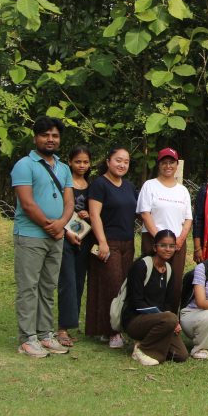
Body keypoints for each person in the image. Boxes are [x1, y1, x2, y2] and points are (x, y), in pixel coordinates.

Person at [11, 117, 74, 357]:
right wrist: (50, 225)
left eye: (55, 135)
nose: (50, 139)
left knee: (48, 287)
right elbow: (27, 203)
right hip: (30, 235)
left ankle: (46, 335)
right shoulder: (24, 165)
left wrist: (61, 224)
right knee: (29, 287)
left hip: (56, 236)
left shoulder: (64, 168)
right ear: (35, 137)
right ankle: (27, 339)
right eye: (45, 135)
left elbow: (69, 202)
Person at [87, 146, 138, 349]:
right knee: (111, 285)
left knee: (123, 286)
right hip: (108, 243)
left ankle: (108, 328)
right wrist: (102, 242)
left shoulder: (129, 186)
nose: (122, 164)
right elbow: (94, 215)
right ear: (108, 161)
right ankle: (112, 332)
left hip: (128, 243)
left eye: (126, 161)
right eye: (118, 160)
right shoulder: (99, 184)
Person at [136, 147, 192, 310]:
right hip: (153, 240)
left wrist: (180, 239)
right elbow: (145, 214)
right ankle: (149, 316)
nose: (168, 166)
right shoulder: (150, 186)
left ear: (176, 165)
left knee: (174, 282)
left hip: (177, 244)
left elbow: (188, 218)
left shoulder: (182, 190)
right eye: (164, 162)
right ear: (159, 165)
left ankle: (171, 317)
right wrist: (159, 239)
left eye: (171, 162)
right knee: (152, 279)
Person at [122, 230, 189, 365]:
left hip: (161, 320)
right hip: (135, 320)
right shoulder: (141, 266)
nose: (168, 249)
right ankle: (142, 350)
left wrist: (172, 322)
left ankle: (147, 342)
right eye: (163, 245)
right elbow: (136, 301)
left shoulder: (169, 270)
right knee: (170, 318)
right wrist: (165, 317)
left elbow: (168, 303)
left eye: (171, 246)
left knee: (181, 355)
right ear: (154, 247)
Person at [55, 144, 92, 348]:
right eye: (78, 161)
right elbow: (57, 209)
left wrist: (89, 214)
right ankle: (62, 328)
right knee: (67, 281)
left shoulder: (91, 185)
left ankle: (71, 325)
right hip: (65, 237)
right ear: (69, 162)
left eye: (85, 162)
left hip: (85, 239)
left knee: (79, 281)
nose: (82, 165)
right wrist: (66, 232)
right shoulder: (63, 183)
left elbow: (98, 211)